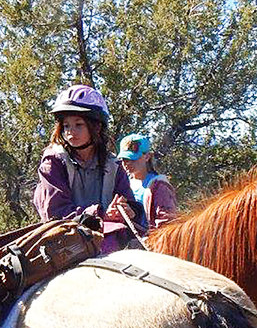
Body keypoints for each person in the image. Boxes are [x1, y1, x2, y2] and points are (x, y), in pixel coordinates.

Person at [32, 84, 145, 252]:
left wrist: (129, 211)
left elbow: (128, 203)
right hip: (64, 245)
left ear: (97, 127)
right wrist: (100, 214)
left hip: (108, 241)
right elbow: (56, 213)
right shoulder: (53, 161)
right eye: (66, 126)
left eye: (78, 124)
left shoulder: (113, 165)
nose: (71, 132)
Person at [117, 133, 178, 230]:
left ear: (147, 157)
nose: (127, 163)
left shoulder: (158, 185)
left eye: (132, 158)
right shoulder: (121, 183)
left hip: (149, 242)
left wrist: (136, 217)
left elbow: (167, 224)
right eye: (124, 159)